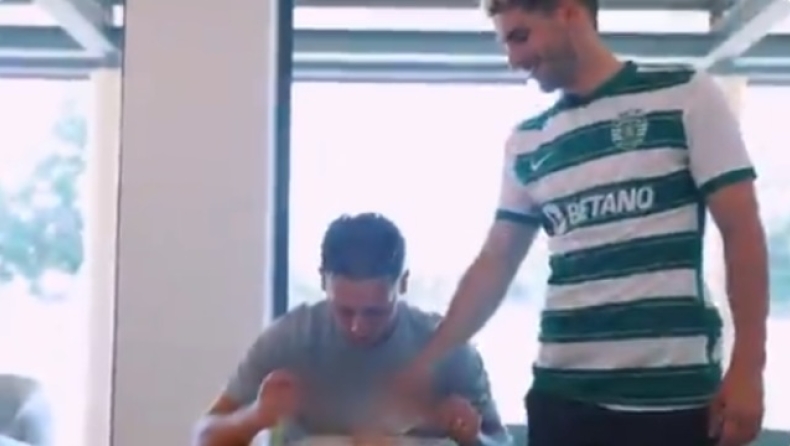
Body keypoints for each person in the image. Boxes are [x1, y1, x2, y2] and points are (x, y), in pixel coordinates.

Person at [391, 1, 769, 446]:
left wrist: (749, 367)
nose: (514, 60)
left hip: (671, 400)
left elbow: (742, 230)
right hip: (562, 400)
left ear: (568, 13)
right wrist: (427, 360)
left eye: (520, 36)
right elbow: (496, 261)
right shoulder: (528, 141)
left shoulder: (684, 94)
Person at [193, 213, 510, 446]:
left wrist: (471, 437)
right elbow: (203, 438)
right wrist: (256, 416)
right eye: (344, 310)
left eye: (375, 312)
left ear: (403, 283)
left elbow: (499, 442)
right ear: (323, 281)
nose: (359, 327)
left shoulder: (447, 348)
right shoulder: (291, 338)